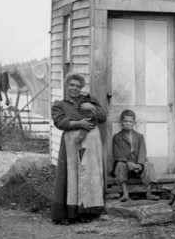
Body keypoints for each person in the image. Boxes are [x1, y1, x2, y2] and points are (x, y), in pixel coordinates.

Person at [51, 73, 107, 224]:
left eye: (78, 86)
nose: (74, 89)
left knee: (88, 176)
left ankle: (86, 212)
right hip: (71, 145)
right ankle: (68, 214)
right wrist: (78, 124)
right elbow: (59, 122)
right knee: (71, 176)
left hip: (90, 145)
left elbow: (103, 117)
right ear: (66, 86)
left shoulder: (88, 100)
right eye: (72, 85)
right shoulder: (60, 105)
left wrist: (93, 108)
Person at [112, 110, 160, 201]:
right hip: (126, 167)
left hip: (138, 166)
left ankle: (149, 193)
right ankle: (125, 193)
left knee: (149, 164)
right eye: (125, 121)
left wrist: (140, 164)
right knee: (119, 165)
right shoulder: (117, 137)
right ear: (121, 122)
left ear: (134, 123)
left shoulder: (139, 136)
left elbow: (142, 152)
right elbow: (117, 154)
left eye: (130, 122)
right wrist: (127, 163)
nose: (128, 124)